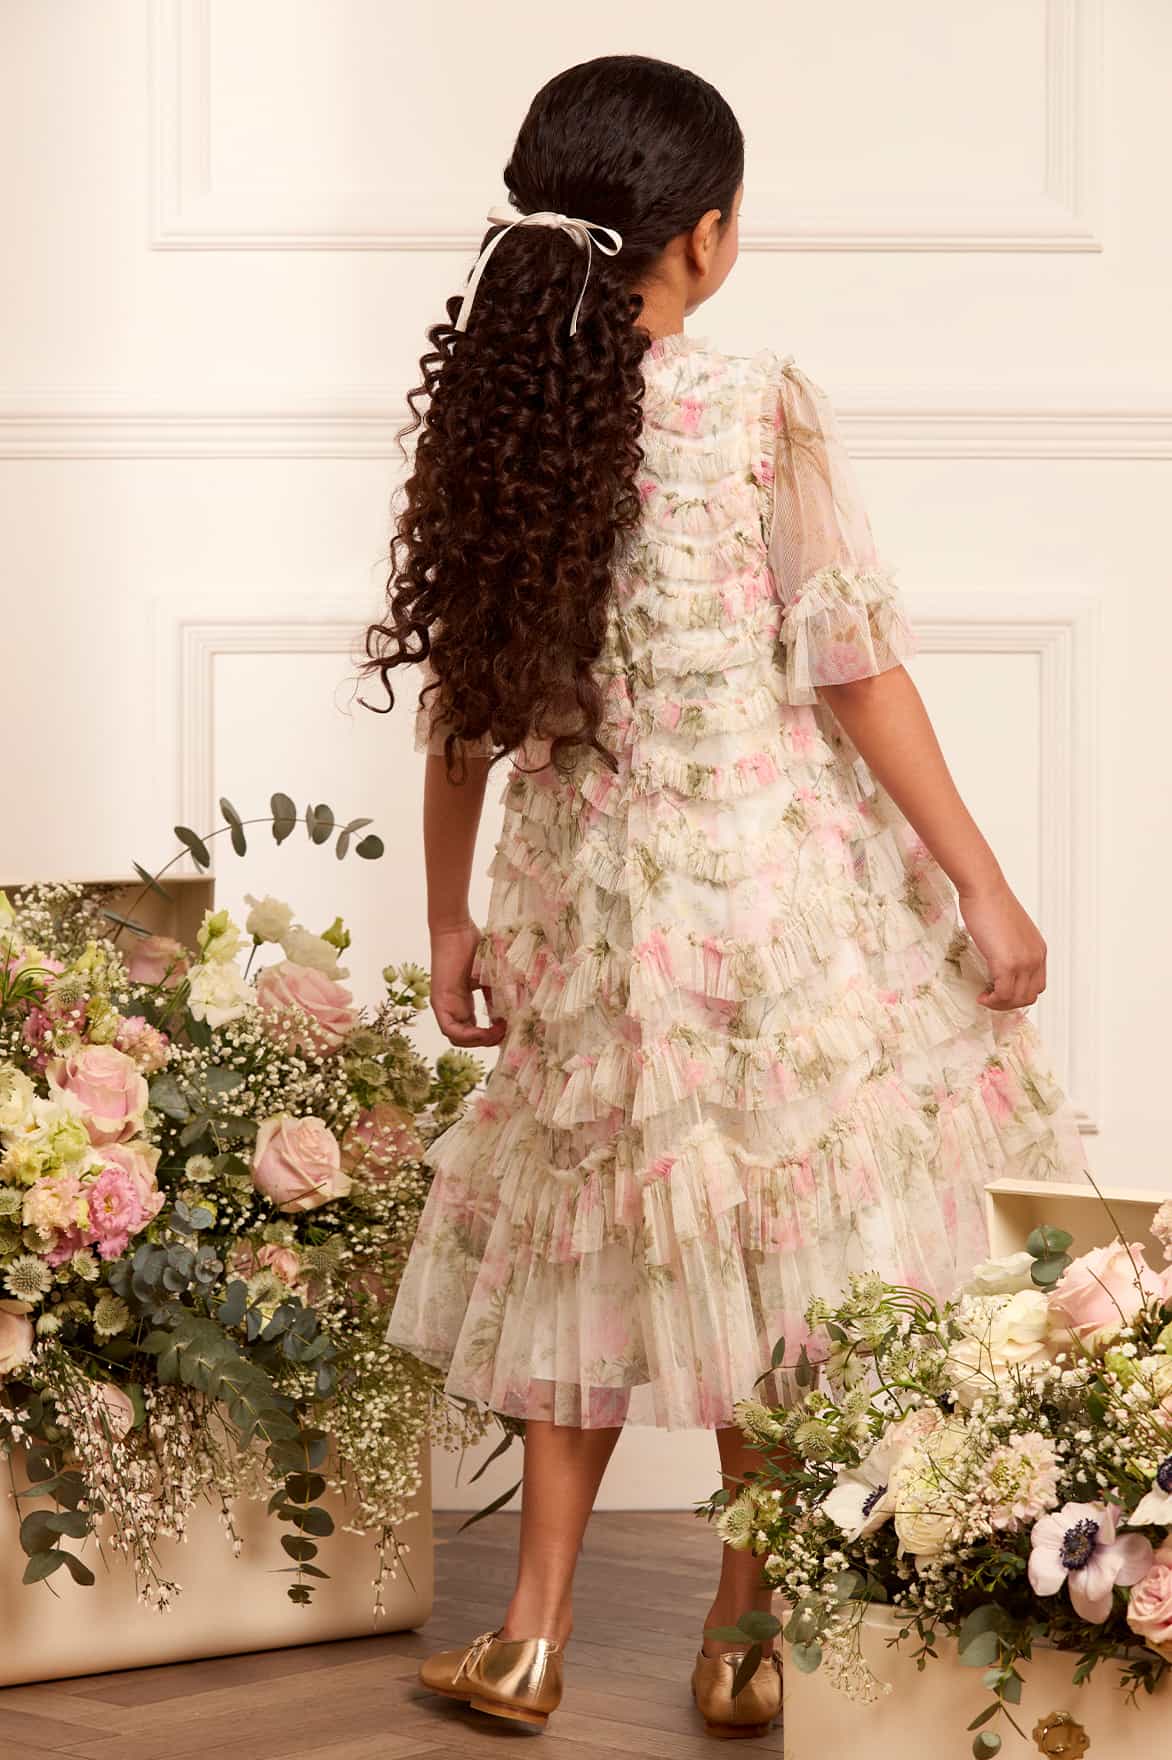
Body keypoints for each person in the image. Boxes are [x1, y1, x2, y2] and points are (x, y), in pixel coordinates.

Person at [356, 52, 1090, 1741]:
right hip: (767, 907)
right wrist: (981, 884)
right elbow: (853, 666)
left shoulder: (502, 417)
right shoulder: (753, 406)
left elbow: (465, 707)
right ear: (701, 236)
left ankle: (530, 1635)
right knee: (777, 1253)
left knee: (585, 1248)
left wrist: (450, 920)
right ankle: (744, 1629)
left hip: (586, 921)